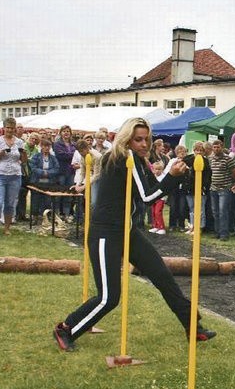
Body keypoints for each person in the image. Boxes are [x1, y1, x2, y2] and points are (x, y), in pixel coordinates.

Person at [52, 117, 215, 352]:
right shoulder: (124, 158)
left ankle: (193, 326)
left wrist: (175, 174)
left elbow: (152, 187)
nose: (143, 144)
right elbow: (148, 197)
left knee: (162, 276)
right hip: (104, 233)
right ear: (127, 139)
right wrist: (172, 176)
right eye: (138, 139)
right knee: (109, 297)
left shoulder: (137, 160)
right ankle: (66, 329)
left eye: (146, 139)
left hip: (126, 230)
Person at [0, 117, 27, 238]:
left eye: (12, 128)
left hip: (15, 176)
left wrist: (24, 153)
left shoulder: (19, 142)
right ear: (3, 128)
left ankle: (6, 228)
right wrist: (0, 153)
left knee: (10, 204)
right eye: (8, 128)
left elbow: (23, 161)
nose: (10, 130)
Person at [208, 139, 235, 241]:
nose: (216, 149)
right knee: (215, 211)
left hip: (224, 188)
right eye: (214, 147)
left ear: (222, 147)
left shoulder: (227, 159)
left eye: (218, 147)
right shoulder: (210, 158)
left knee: (223, 211)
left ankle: (224, 233)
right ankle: (217, 232)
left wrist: (231, 183)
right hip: (213, 188)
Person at [182, 141, 211, 235]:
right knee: (191, 208)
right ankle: (192, 226)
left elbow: (207, 176)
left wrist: (203, 187)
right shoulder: (189, 159)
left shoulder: (206, 161)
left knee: (200, 209)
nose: (198, 152)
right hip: (189, 188)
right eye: (196, 150)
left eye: (200, 150)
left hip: (201, 188)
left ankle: (200, 227)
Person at [29, 139, 60, 224]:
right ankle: (34, 217)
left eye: (48, 146)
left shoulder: (53, 158)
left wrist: (48, 173)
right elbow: (33, 167)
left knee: (47, 201)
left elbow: (56, 169)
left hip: (49, 182)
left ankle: (46, 217)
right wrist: (42, 172)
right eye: (44, 146)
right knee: (35, 200)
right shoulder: (36, 156)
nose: (46, 148)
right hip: (37, 181)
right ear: (41, 146)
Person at [53, 125, 77, 220]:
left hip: (71, 171)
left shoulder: (74, 144)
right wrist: (72, 155)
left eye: (68, 131)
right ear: (61, 133)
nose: (66, 133)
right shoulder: (57, 144)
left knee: (68, 193)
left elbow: (77, 155)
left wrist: (70, 155)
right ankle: (57, 214)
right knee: (59, 193)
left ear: (70, 133)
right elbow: (61, 156)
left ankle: (66, 214)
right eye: (64, 131)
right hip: (61, 171)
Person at [167, 145, 188, 232]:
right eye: (179, 152)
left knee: (182, 207)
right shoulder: (172, 161)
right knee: (173, 207)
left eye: (183, 152)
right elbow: (168, 172)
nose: (181, 154)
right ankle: (172, 225)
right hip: (173, 188)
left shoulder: (187, 162)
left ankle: (181, 225)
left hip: (183, 188)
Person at [148, 161, 167, 235]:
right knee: (153, 212)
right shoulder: (153, 177)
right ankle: (155, 226)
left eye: (159, 169)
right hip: (153, 197)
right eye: (156, 169)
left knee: (157, 212)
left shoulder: (163, 178)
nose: (157, 171)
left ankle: (161, 227)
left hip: (160, 198)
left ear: (162, 170)